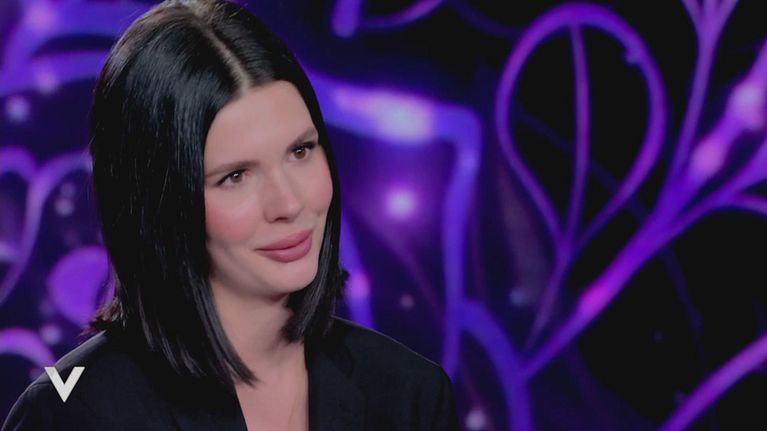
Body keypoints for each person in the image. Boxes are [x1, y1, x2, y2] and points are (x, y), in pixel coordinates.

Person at [0, 0, 460, 429]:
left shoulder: (410, 395)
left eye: (300, 151)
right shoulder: (73, 414)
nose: (289, 204)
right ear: (162, 205)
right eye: (236, 176)